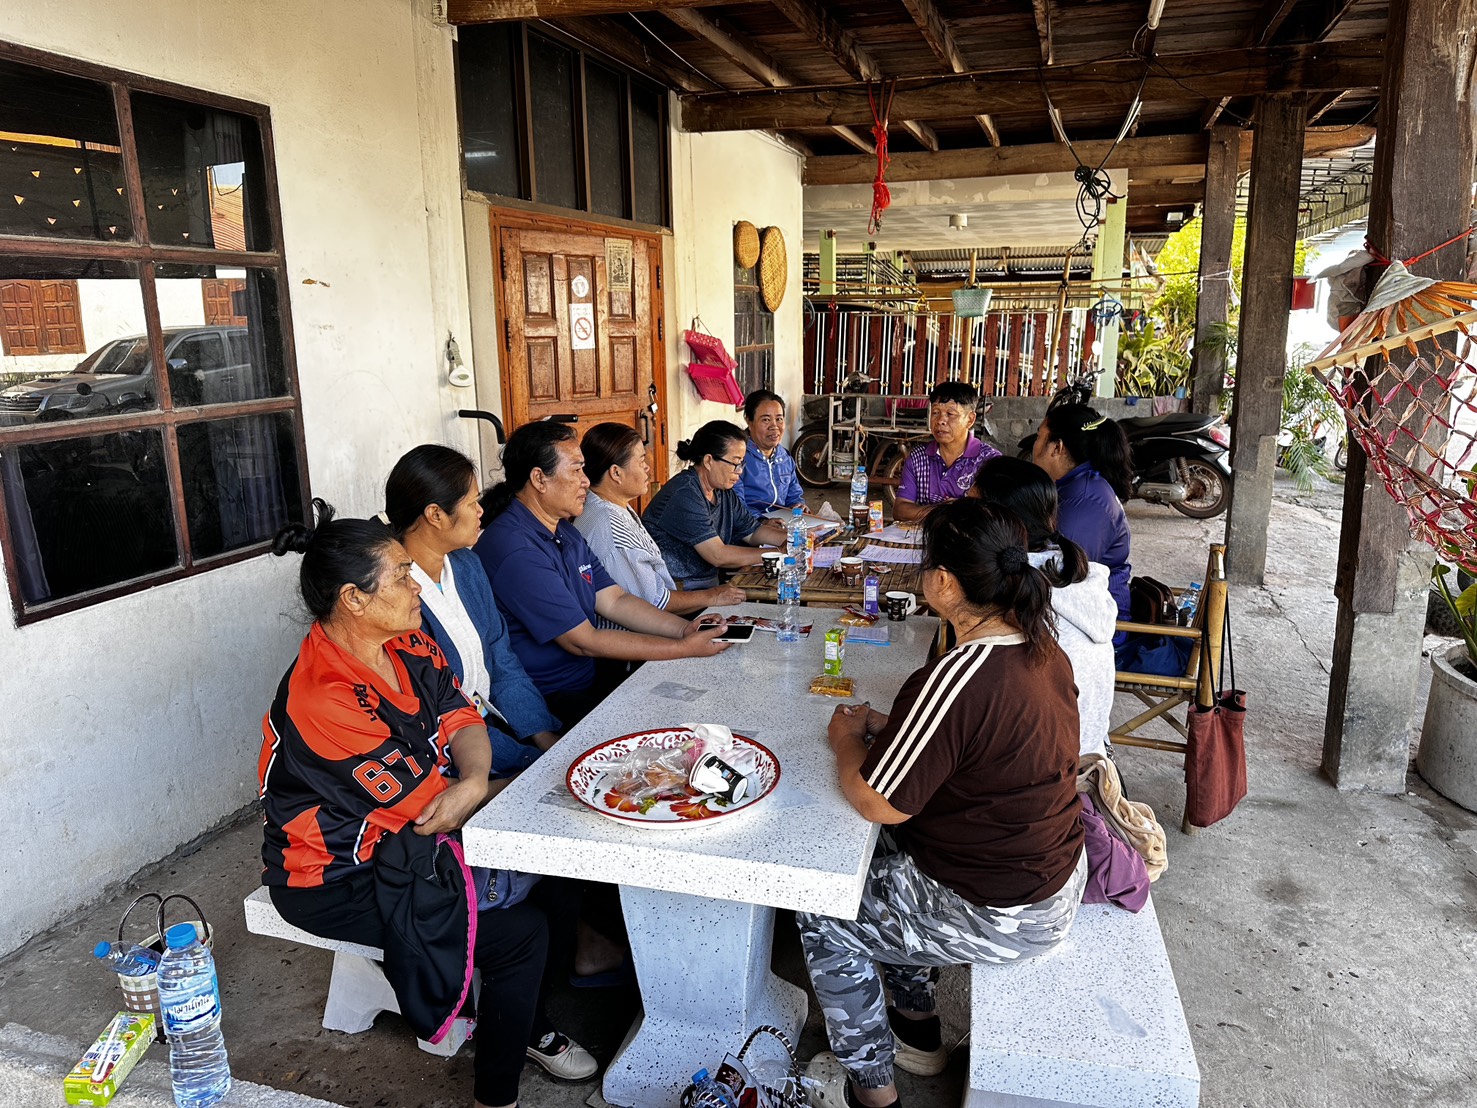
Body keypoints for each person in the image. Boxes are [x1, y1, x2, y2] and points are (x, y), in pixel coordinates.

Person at [260, 501, 597, 1108]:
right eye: (399, 575)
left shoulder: (406, 640)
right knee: (520, 931)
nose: (417, 582)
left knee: (560, 870)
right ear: (352, 599)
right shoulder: (324, 696)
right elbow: (429, 810)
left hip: (411, 838)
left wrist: (473, 780)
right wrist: (495, 787)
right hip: (336, 875)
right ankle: (496, 1094)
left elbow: (460, 714)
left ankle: (526, 1021)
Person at [796, 498, 1086, 1108]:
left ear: (946, 583)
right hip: (1046, 874)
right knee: (891, 863)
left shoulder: (962, 672)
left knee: (823, 908)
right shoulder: (1040, 648)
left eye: (926, 564)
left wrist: (847, 739)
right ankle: (916, 1025)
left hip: (1003, 910)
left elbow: (878, 802)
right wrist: (890, 725)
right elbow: (976, 747)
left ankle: (873, 1093)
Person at [476, 421, 731, 727]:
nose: (586, 482)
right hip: (551, 698)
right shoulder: (516, 548)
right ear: (539, 479)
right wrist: (682, 648)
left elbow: (615, 600)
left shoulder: (563, 531)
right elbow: (582, 640)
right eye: (575, 471)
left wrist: (684, 631)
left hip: (590, 675)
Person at [384, 444, 560, 777]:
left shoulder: (466, 565)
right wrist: (526, 758)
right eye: (472, 502)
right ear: (435, 515)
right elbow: (437, 712)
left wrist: (542, 734)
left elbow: (500, 654)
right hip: (450, 748)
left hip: (493, 721)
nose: (481, 510)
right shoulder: (395, 591)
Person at [971, 456, 1117, 757]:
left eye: (969, 507)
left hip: (1049, 776)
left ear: (994, 523)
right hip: (1092, 756)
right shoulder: (1074, 575)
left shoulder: (1014, 590)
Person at [575, 422, 747, 616]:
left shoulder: (608, 505)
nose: (647, 467)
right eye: (641, 461)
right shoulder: (610, 528)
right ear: (616, 473)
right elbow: (654, 603)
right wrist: (712, 596)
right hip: (636, 634)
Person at [641, 420, 788, 590]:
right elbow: (717, 555)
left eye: (742, 463)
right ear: (709, 461)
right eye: (735, 463)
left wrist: (794, 540)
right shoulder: (684, 494)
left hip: (709, 585)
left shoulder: (722, 491)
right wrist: (779, 553)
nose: (739, 471)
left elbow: (753, 532)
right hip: (677, 591)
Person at [1030, 402, 1133, 621]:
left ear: (1057, 447)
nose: (1034, 445)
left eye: (1039, 436)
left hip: (1098, 623)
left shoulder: (1086, 500)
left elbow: (1063, 575)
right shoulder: (1072, 484)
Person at [893, 381, 1001, 522]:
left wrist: (934, 511)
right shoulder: (918, 457)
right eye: (936, 412)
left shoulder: (989, 461)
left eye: (950, 414)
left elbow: (995, 515)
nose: (940, 421)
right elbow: (900, 511)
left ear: (970, 419)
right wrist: (948, 510)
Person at [736, 389, 805, 514]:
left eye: (779, 419)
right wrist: (762, 522)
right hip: (750, 527)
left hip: (782, 524)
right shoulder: (737, 458)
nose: (774, 426)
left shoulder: (784, 458)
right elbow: (736, 506)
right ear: (749, 421)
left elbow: (794, 495)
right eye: (766, 420)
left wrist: (798, 506)